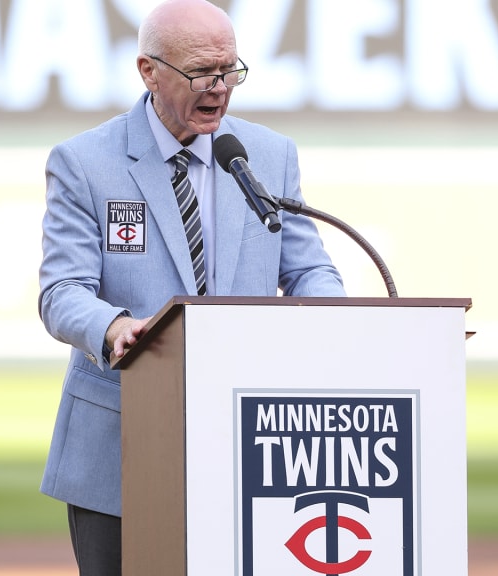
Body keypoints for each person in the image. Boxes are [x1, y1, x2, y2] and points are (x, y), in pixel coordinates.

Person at [37, 0, 345, 574]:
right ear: (149, 71)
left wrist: (337, 315)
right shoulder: (83, 162)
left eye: (230, 71)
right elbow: (62, 291)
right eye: (202, 73)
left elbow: (308, 269)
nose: (220, 88)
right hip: (121, 445)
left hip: (249, 442)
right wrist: (113, 326)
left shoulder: (267, 155)